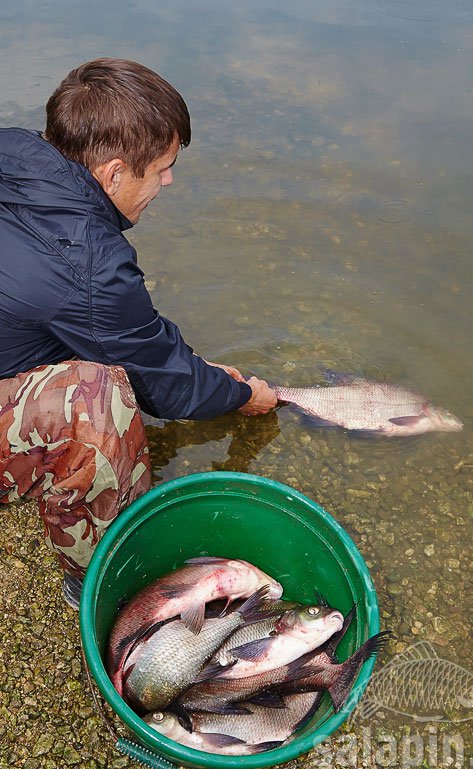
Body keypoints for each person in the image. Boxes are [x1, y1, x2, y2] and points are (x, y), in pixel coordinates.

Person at [0, 57, 277, 608]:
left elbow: (126, 329)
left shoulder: (11, 150)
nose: (170, 180)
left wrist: (174, 357)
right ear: (115, 173)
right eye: (164, 168)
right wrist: (245, 395)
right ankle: (102, 577)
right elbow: (169, 389)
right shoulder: (89, 263)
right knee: (96, 403)